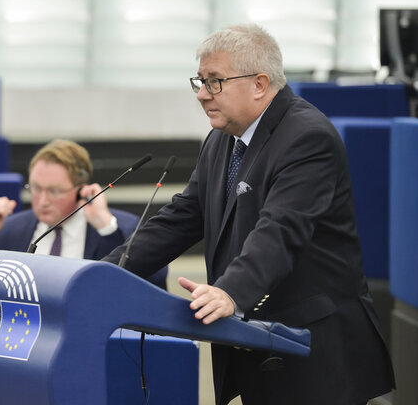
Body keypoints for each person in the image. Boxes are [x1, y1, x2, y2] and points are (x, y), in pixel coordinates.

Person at [103, 24, 394, 404]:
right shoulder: (222, 138)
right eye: (201, 81)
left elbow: (280, 229)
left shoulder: (307, 137)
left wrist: (230, 291)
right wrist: (101, 272)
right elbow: (182, 218)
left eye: (216, 81)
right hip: (260, 343)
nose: (203, 94)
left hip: (314, 350)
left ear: (259, 83)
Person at [0, 139, 167, 288]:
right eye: (35, 188)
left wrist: (106, 228)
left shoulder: (124, 228)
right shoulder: (13, 229)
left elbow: (155, 283)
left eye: (54, 191)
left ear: (80, 190)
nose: (42, 201)